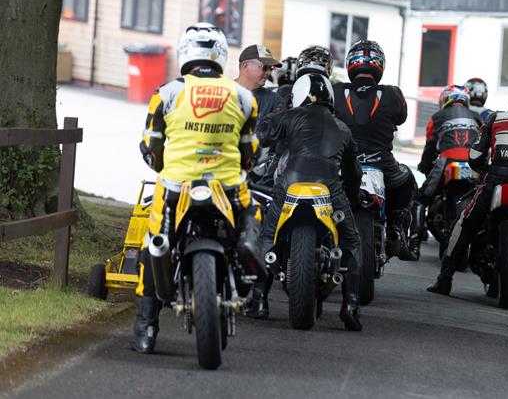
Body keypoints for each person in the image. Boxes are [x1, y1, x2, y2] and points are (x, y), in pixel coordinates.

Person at [132, 22, 264, 353]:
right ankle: (248, 248)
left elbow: (150, 147)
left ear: (185, 54)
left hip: (176, 186)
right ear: (221, 56)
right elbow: (252, 151)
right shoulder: (245, 98)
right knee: (252, 211)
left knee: (153, 244)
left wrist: (165, 165)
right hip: (228, 186)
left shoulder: (165, 93)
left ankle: (146, 330)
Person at [427, 86, 508, 313]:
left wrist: (488, 169)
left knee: (465, 223)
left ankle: (445, 279)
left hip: (494, 180)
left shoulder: (495, 118)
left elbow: (475, 156)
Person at [254, 73, 364, 331]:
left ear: (299, 96)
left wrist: (277, 113)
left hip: (290, 184)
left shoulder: (291, 116)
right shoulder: (343, 128)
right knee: (351, 242)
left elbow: (263, 133)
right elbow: (353, 173)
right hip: (330, 189)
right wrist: (353, 194)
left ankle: (259, 299)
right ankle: (350, 305)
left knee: (267, 235)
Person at [332, 40, 419, 260]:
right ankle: (396, 227)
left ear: (351, 62)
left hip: (342, 163)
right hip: (383, 163)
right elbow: (402, 117)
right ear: (380, 65)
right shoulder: (393, 94)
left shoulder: (336, 90)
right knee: (409, 181)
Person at [416, 84, 482, 208]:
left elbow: (430, 146)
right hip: (473, 163)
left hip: (447, 160)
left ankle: (417, 227)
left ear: (445, 99)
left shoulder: (436, 117)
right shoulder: (477, 117)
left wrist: (424, 165)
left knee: (421, 199)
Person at [235, 44, 283, 121]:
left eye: (271, 68)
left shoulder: (274, 101)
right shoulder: (221, 93)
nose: (269, 73)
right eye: (265, 67)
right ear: (245, 65)